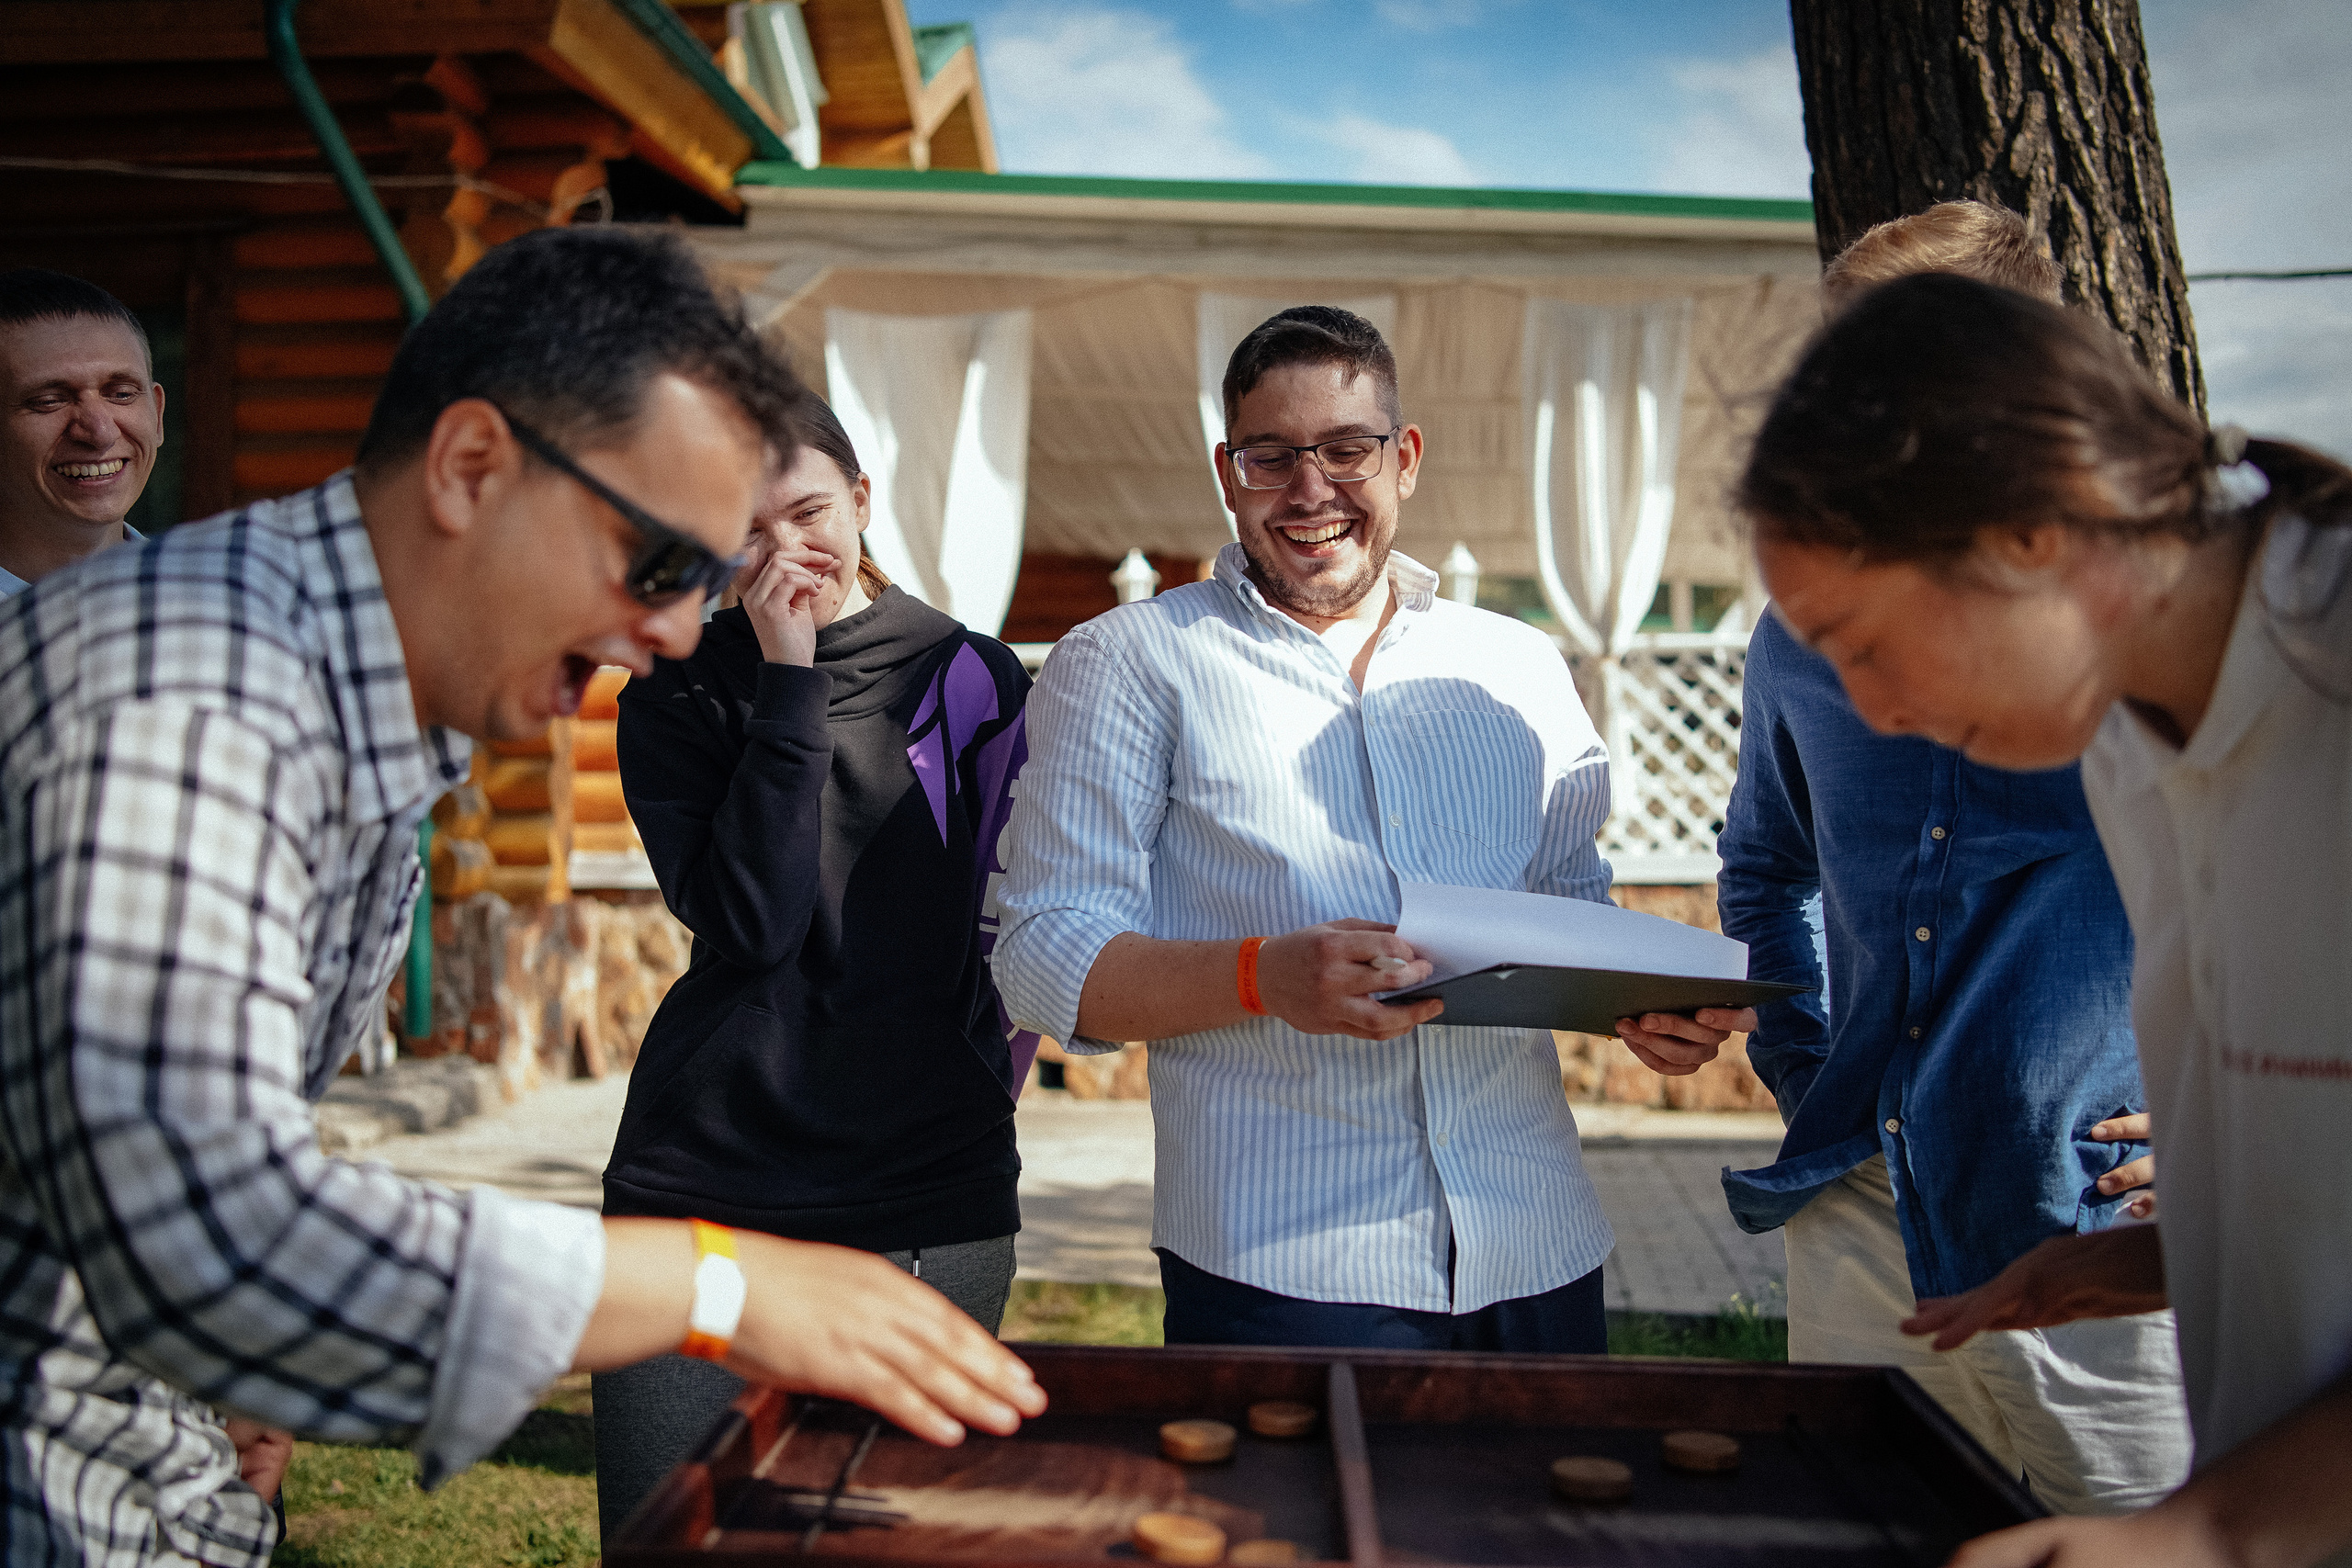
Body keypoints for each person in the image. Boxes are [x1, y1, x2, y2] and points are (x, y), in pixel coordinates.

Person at [0, 227, 1043, 1568]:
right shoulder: (197, 696)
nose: (674, 634)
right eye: (659, 559)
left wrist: (238, 1367)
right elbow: (211, 1229)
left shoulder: (340, 684)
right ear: (472, 468)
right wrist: (717, 1282)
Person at [1739, 269, 2352, 1566]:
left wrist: (2213, 1529)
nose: (1872, 711)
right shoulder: (2122, 733)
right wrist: (2177, 1252)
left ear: (2025, 534)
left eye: (1864, 642)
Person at [991, 306, 1742, 1352]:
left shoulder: (1517, 665)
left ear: (1406, 460)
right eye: (1271, 456)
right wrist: (1259, 976)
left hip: (1536, 1245)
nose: (1311, 490)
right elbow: (1040, 959)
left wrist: (1639, 1007)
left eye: (1348, 449)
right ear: (1227, 473)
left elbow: (1570, 907)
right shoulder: (1127, 661)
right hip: (1283, 1262)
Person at [1712, 202, 2188, 1514]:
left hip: (2099, 1209)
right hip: (1856, 1203)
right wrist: (1806, 1065)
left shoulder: (2173, 624)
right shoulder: (1796, 632)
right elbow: (1763, 868)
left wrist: (2241, 1131)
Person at [592, 389, 1037, 1536]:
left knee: (890, 1543)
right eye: (746, 529)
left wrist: (982, 1085)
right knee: (674, 1538)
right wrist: (789, 679)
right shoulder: (676, 684)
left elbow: (1018, 920)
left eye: (808, 512)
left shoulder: (974, 679)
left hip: (926, 1186)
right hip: (701, 1188)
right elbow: (752, 921)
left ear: (862, 500)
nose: (786, 550)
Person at [0, 267, 160, 595]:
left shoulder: (221, 605)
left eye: (122, 394)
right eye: (49, 401)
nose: (100, 433)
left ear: (157, 415)